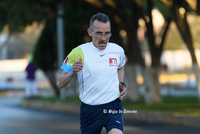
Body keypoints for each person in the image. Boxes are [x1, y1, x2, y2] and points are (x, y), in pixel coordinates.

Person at [57, 13, 127, 134]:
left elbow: (120, 67)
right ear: (90, 32)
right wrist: (72, 72)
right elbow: (59, 82)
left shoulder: (118, 50)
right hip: (90, 110)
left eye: (107, 33)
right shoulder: (77, 53)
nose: (104, 38)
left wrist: (121, 83)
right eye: (99, 33)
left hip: (113, 106)